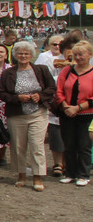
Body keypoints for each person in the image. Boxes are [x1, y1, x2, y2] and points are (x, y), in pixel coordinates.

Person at [0, 41, 56, 191]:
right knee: (18, 147)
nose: (23, 56)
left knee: (37, 146)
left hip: (38, 113)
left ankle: (37, 177)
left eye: (26, 53)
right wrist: (18, 98)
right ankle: (21, 175)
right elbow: (2, 93)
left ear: (31, 55)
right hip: (16, 115)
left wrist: (40, 96)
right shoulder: (8, 73)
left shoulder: (41, 70)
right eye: (20, 53)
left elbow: (52, 88)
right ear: (15, 55)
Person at [54, 40, 93, 186]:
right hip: (67, 113)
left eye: (81, 54)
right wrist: (65, 106)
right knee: (69, 144)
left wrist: (78, 108)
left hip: (86, 114)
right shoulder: (67, 71)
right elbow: (59, 90)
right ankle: (70, 172)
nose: (78, 57)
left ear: (89, 55)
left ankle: (83, 174)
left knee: (84, 145)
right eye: (75, 54)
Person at [36, 35, 67, 177]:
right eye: (54, 44)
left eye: (60, 44)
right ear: (49, 45)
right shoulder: (44, 57)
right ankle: (57, 163)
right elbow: (41, 77)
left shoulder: (70, 57)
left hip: (69, 98)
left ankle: (68, 162)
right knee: (55, 132)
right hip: (53, 97)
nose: (57, 47)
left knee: (69, 133)